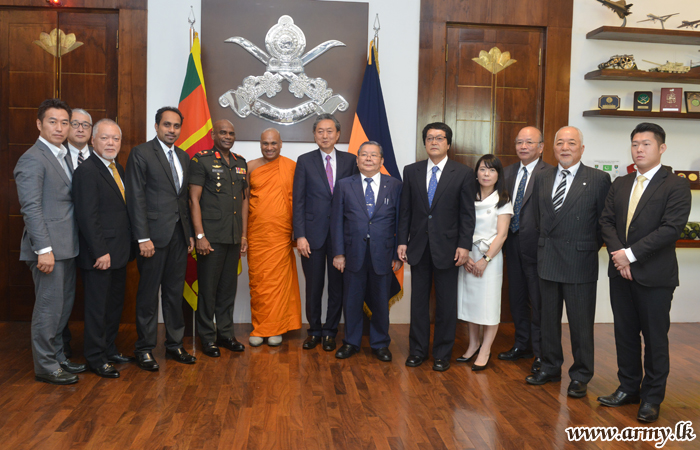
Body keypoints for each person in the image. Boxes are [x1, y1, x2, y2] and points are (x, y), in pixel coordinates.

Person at [598, 123, 691, 423]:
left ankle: (652, 398)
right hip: (620, 273)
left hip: (655, 277)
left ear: (661, 148)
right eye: (635, 144)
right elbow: (606, 222)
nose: (639, 149)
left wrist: (630, 255)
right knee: (624, 335)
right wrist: (619, 256)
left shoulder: (675, 185)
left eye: (646, 144)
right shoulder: (621, 183)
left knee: (654, 339)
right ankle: (628, 388)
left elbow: (670, 229)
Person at [526, 126, 611, 399]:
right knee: (548, 321)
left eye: (571, 143)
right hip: (548, 258)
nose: (565, 147)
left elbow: (603, 223)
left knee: (581, 325)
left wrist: (584, 247)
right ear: (552, 148)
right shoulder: (542, 177)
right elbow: (540, 219)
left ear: (582, 149)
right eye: (560, 142)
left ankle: (581, 375)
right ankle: (550, 367)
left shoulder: (598, 179)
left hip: (580, 261)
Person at [14, 98, 85, 384]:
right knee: (48, 309)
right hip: (48, 251)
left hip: (67, 248)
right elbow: (30, 208)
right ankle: (45, 366)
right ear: (39, 124)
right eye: (52, 121)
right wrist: (43, 250)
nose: (59, 127)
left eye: (64, 122)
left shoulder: (64, 155)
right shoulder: (32, 158)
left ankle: (58, 358)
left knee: (62, 308)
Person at [397, 122, 475, 372]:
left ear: (448, 143)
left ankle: (442, 353)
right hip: (418, 247)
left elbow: (467, 214)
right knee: (418, 304)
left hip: (449, 249)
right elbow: (405, 210)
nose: (434, 142)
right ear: (424, 143)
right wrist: (402, 240)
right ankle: (417, 351)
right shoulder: (411, 171)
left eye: (439, 138)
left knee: (446, 304)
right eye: (429, 138)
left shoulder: (462, 173)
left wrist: (464, 245)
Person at [126, 106, 196, 370]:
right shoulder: (141, 153)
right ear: (156, 126)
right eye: (167, 125)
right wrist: (142, 237)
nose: (172, 130)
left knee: (174, 293)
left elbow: (183, 199)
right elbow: (136, 198)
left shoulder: (183, 156)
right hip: (152, 239)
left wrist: (188, 234)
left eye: (176, 126)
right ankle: (144, 348)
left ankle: (174, 345)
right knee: (148, 294)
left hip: (178, 236)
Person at [73, 119, 134, 378]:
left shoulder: (116, 167)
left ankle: (109, 349)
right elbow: (88, 216)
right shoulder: (87, 171)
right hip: (101, 255)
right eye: (105, 138)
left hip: (119, 252)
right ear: (93, 141)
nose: (111, 143)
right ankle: (96, 357)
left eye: (115, 139)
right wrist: (100, 251)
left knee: (113, 306)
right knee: (97, 309)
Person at [330, 141, 402, 361]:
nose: (368, 159)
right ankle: (351, 342)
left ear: (381, 160)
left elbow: (400, 221)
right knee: (351, 301)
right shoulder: (344, 185)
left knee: (380, 301)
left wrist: (397, 255)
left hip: (383, 254)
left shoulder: (395, 185)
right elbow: (336, 222)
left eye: (373, 155)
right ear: (357, 159)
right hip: (352, 254)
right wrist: (339, 253)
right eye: (364, 155)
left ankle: (380, 344)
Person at [293, 114, 357, 351]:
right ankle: (315, 331)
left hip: (342, 236)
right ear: (314, 135)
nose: (325, 135)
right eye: (320, 131)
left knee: (337, 287)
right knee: (314, 286)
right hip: (312, 236)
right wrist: (300, 235)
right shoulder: (304, 160)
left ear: (338, 134)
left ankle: (331, 331)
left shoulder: (351, 161)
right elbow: (298, 201)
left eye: (330, 131)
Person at [188, 119, 248, 357]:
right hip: (210, 238)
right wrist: (200, 235)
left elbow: (244, 200)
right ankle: (207, 337)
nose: (227, 136)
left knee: (227, 289)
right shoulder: (201, 160)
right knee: (208, 290)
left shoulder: (240, 163)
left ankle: (226, 334)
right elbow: (194, 199)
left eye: (231, 133)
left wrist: (243, 234)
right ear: (214, 134)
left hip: (233, 236)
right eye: (223, 132)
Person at [499, 127, 552, 373]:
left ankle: (542, 353)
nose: (523, 146)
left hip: (539, 249)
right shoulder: (507, 172)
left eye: (529, 142)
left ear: (541, 147)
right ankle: (522, 345)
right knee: (517, 299)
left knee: (539, 302)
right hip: (512, 246)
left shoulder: (550, 173)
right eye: (519, 141)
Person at [246, 128, 302, 347]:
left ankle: (276, 328)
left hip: (281, 234)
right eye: (265, 144)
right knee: (259, 283)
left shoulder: (291, 167)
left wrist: (297, 232)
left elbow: (297, 201)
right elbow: (242, 202)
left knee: (279, 283)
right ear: (260, 144)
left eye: (273, 144)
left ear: (281, 144)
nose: (269, 148)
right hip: (257, 235)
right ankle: (260, 327)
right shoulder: (249, 167)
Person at [456, 155, 512, 371]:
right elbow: (461, 226)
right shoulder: (468, 196)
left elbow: (502, 235)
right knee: (471, 303)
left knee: (488, 305)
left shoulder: (503, 199)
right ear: (476, 173)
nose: (486, 174)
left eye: (491, 170)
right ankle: (473, 345)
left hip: (490, 259)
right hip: (467, 256)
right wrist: (467, 257)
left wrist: (485, 259)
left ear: (498, 175)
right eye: (482, 169)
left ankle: (486, 349)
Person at [60, 107, 94, 359]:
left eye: (86, 125)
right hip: (64, 237)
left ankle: (97, 348)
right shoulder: (57, 156)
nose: (81, 128)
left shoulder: (104, 156)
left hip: (94, 241)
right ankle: (60, 349)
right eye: (76, 124)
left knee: (96, 298)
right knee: (61, 297)